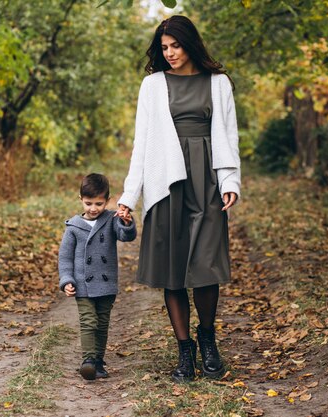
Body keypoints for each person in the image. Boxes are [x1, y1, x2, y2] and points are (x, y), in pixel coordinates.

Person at [116, 15, 241, 383]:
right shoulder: (152, 85)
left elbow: (229, 135)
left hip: (206, 183)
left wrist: (230, 179)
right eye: (164, 47)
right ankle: (184, 350)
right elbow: (142, 144)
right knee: (173, 268)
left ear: (191, 44)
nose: (170, 53)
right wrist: (129, 195)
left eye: (176, 46)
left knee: (205, 266)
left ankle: (208, 338)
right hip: (167, 181)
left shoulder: (218, 83)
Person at [58, 173, 137, 380]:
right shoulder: (73, 227)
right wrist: (66, 280)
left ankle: (99, 362)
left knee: (102, 323)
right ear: (80, 199)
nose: (93, 208)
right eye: (88, 203)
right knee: (88, 321)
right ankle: (88, 360)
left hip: (106, 282)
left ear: (108, 201)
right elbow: (65, 258)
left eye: (99, 203)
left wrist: (127, 222)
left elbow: (125, 236)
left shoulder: (111, 220)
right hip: (83, 285)